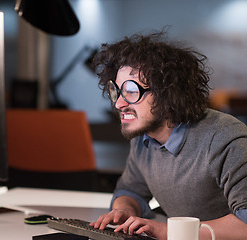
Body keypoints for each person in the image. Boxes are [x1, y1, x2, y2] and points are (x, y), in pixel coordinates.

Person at [90, 31, 247, 240]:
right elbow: (131, 191)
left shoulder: (224, 138)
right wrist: (125, 210)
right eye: (117, 91)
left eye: (131, 90)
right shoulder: (143, 138)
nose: (118, 103)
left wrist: (169, 232)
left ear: (167, 94)